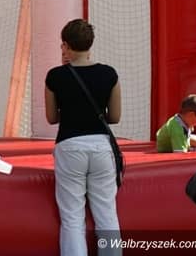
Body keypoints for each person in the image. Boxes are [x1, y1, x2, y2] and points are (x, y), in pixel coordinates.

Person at [45, 18, 122, 256]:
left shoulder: (55, 76)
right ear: (90, 44)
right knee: (107, 215)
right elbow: (115, 116)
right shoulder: (109, 74)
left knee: (72, 218)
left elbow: (51, 117)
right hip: (101, 146)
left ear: (66, 45)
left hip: (69, 145)